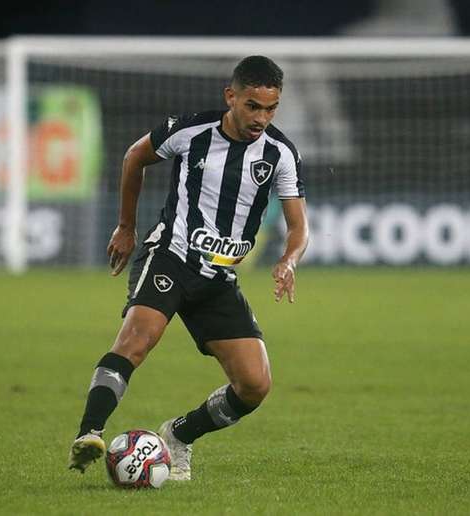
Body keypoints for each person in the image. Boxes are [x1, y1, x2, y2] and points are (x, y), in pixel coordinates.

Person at [67, 55, 308, 481]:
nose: (262, 118)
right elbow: (134, 157)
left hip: (217, 278)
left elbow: (298, 227)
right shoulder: (190, 131)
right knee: (138, 340)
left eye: (271, 109)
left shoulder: (280, 153)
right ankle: (90, 433)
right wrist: (126, 225)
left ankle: (178, 436)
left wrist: (289, 259)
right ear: (230, 97)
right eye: (253, 106)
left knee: (255, 385)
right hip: (171, 257)